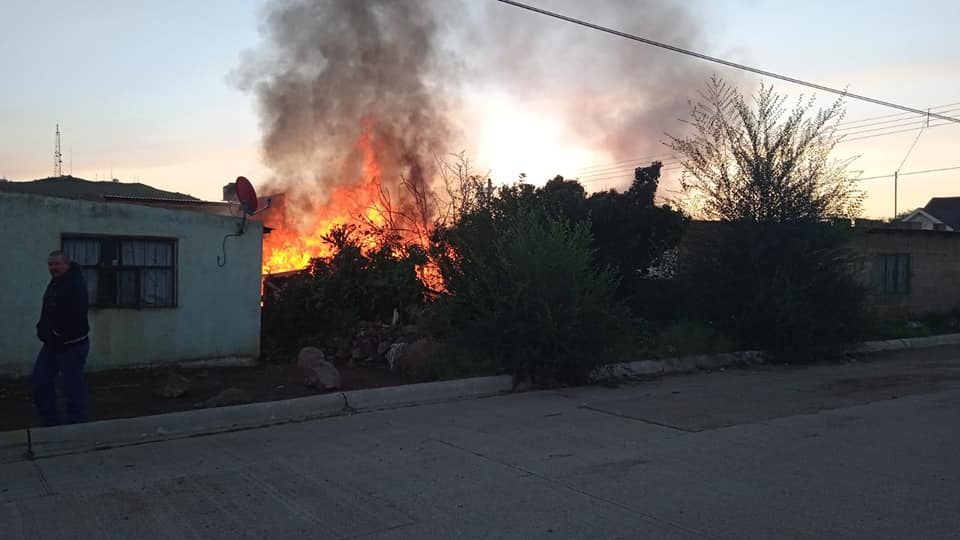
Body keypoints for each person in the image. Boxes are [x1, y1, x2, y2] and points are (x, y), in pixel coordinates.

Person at [33, 250, 90, 426]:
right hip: (52, 345)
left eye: (57, 264)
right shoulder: (56, 282)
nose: (53, 268)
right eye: (50, 264)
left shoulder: (75, 284)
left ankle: (77, 425)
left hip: (71, 346)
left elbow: (76, 314)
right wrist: (42, 328)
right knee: (40, 380)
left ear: (66, 264)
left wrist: (58, 333)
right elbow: (50, 308)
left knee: (72, 387)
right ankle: (49, 423)